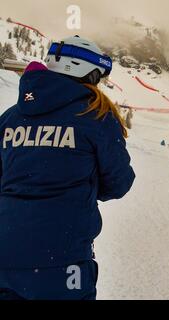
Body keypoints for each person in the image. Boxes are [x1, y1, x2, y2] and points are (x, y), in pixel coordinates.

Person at [0, 36, 135, 300]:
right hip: (62, 259)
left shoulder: (10, 118)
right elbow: (119, 182)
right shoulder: (96, 116)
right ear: (86, 72)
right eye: (97, 77)